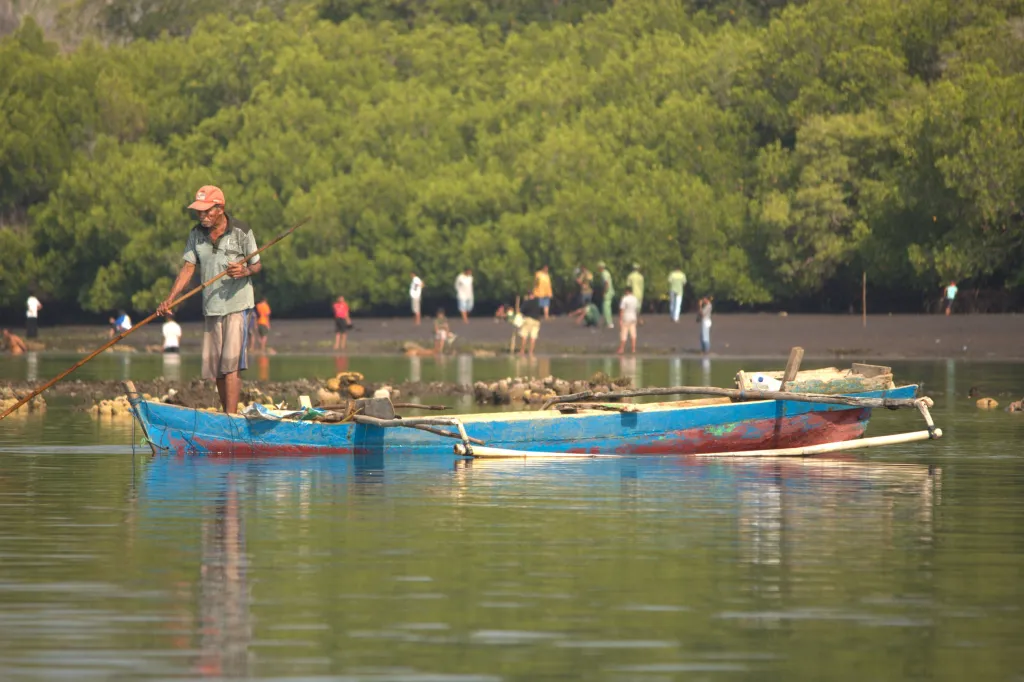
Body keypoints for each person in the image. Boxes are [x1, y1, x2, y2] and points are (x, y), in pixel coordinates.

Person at [157, 185, 261, 414]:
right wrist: (170, 299)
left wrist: (244, 271)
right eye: (199, 212)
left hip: (238, 305)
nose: (202, 216)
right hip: (211, 307)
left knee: (231, 365)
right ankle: (226, 414)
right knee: (217, 369)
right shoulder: (196, 234)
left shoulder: (241, 230)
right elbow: (187, 268)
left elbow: (256, 264)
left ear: (220, 208)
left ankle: (231, 419)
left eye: (207, 211)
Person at [617, 286, 639, 354]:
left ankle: (622, 349)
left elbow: (622, 310)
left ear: (626, 291)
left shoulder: (625, 299)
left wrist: (620, 319)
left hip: (626, 318)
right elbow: (636, 309)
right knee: (633, 334)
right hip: (633, 317)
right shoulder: (635, 299)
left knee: (624, 334)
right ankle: (633, 349)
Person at [597, 261, 615, 329]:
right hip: (610, 292)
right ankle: (606, 322)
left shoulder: (604, 274)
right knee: (607, 307)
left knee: (606, 308)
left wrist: (604, 292)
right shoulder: (607, 272)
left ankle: (609, 323)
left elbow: (606, 283)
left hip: (608, 293)